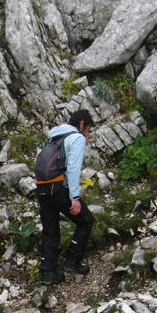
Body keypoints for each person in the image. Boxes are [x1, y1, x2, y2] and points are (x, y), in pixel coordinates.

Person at [36, 109, 94, 285]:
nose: (88, 135)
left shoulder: (56, 135)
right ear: (82, 124)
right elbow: (73, 169)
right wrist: (74, 198)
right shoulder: (76, 138)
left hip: (42, 187)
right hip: (59, 188)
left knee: (50, 230)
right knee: (86, 220)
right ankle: (72, 262)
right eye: (88, 130)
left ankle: (48, 272)